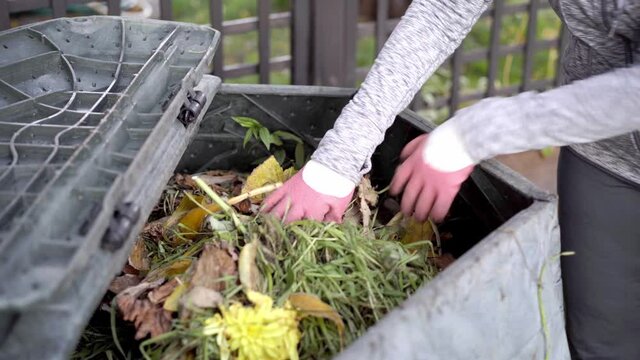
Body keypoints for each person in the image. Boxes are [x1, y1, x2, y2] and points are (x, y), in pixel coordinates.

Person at [262, 0, 640, 358]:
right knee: (600, 339)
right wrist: (335, 165)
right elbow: (444, 9)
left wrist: (472, 136)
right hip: (602, 154)